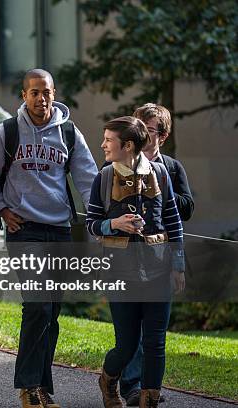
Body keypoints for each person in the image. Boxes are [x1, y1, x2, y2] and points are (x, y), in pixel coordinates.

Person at [0, 68, 98, 408]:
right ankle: (28, 386)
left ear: (53, 93)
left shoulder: (70, 133)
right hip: (24, 230)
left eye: (45, 91)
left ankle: (43, 388)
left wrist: (96, 222)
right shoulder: (8, 132)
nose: (40, 98)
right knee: (38, 306)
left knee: (52, 311)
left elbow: (88, 179)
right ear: (23, 95)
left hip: (60, 230)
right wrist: (1, 209)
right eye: (33, 92)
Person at [86, 116, 185, 408]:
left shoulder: (161, 174)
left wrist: (178, 265)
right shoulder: (103, 178)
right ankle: (108, 379)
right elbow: (92, 224)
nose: (103, 144)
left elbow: (173, 221)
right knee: (127, 346)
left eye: (108, 139)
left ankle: (149, 401)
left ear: (127, 145)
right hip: (121, 273)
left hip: (158, 270)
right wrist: (114, 223)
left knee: (155, 342)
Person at [118, 104, 194, 406]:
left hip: (160, 260)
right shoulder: (121, 164)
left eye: (149, 130)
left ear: (162, 135)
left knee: (154, 331)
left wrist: (159, 185)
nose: (142, 135)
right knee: (129, 330)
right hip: (126, 259)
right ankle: (130, 386)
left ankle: (149, 389)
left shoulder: (172, 169)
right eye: (139, 128)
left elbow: (186, 209)